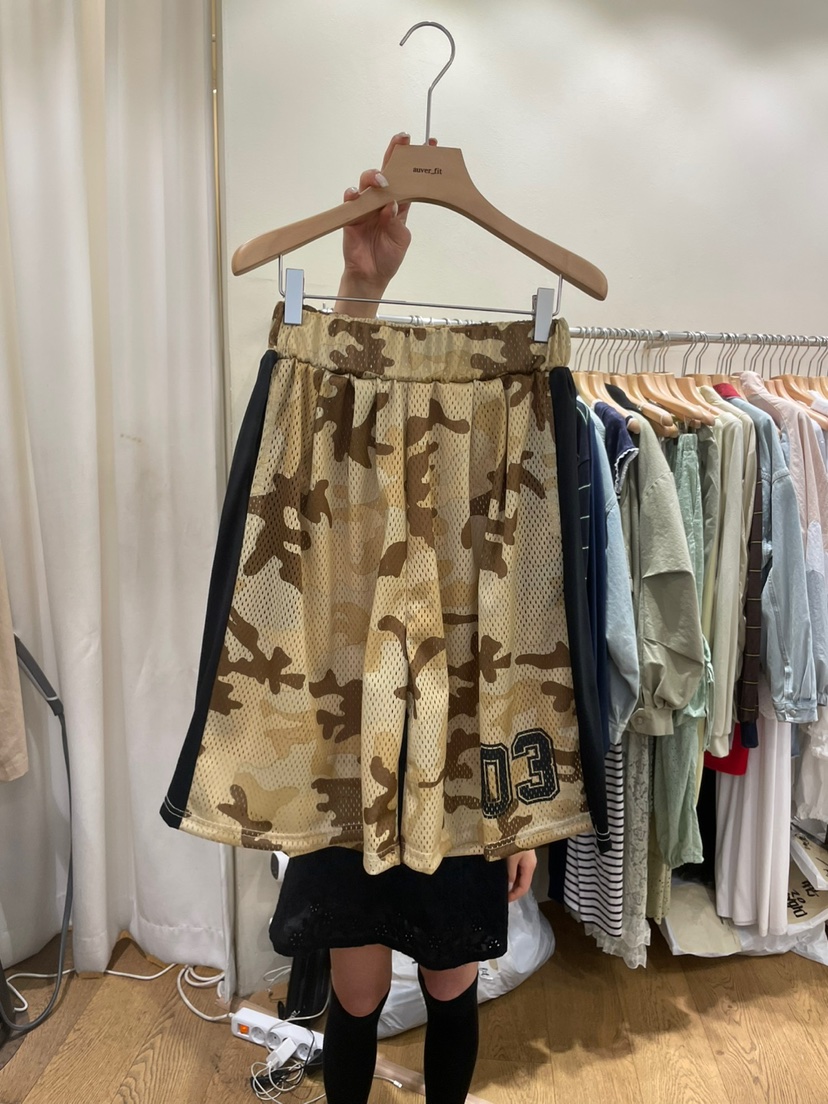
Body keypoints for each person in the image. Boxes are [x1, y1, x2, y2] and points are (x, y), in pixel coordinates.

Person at [274, 131, 538, 1104]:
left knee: (451, 978)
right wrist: (361, 287)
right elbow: (322, 416)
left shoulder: (504, 451)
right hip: (353, 750)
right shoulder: (340, 475)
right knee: (355, 990)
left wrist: (518, 813)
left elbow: (522, 644)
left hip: (460, 761)